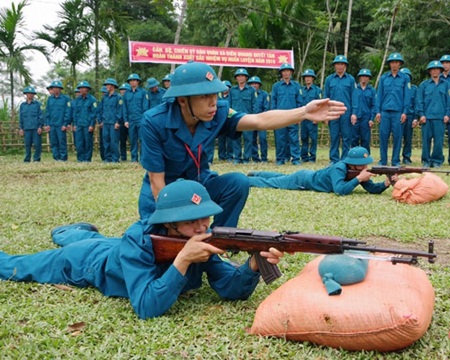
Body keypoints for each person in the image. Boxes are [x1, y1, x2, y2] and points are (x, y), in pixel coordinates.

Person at [0, 179, 285, 320]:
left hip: (114, 247)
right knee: (19, 266)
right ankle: (65, 233)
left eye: (206, 218)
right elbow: (146, 307)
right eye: (191, 222)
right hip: (85, 262)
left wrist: (252, 267)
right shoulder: (141, 239)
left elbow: (229, 289)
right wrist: (182, 261)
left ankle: (72, 231)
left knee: (95, 239)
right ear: (169, 224)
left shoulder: (197, 238)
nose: (202, 228)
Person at [139, 61, 346, 226]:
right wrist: (174, 223)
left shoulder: (218, 112)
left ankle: (221, 239)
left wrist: (304, 112)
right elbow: (157, 181)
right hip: (165, 194)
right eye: (204, 96)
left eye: (214, 94)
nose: (213, 102)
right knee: (160, 249)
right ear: (183, 100)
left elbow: (259, 120)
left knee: (238, 182)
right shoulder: (154, 122)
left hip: (199, 185)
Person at [248, 146, 395, 196]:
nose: (364, 167)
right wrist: (358, 179)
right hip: (303, 180)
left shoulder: (357, 172)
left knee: (281, 177)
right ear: (352, 164)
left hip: (305, 176)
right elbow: (339, 190)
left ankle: (257, 173)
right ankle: (247, 180)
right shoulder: (339, 168)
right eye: (361, 164)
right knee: (273, 183)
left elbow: (372, 189)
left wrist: (385, 184)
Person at [375, 52, 411, 166]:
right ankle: (383, 160)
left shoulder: (405, 78)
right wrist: (377, 111)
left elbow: (407, 96)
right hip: (385, 112)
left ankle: (395, 160)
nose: (394, 65)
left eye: (396, 62)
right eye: (392, 62)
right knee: (383, 137)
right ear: (389, 64)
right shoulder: (384, 78)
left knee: (397, 137)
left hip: (398, 112)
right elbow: (379, 96)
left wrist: (405, 112)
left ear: (400, 64)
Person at [416, 61, 450, 168]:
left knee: (438, 141)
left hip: (440, 118)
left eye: (437, 69)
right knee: (426, 141)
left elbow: (449, 102)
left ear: (440, 71)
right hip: (426, 118)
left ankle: (437, 160)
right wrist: (421, 114)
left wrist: (447, 114)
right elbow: (419, 101)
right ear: (430, 71)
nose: (435, 71)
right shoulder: (424, 85)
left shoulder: (446, 85)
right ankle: (426, 160)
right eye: (433, 69)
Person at [323, 55, 358, 163]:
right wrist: (326, 113)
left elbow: (354, 97)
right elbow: (326, 98)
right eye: (337, 64)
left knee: (347, 137)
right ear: (335, 66)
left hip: (346, 113)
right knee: (334, 136)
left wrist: (354, 113)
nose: (339, 66)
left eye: (342, 64)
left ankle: (345, 159)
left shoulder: (351, 80)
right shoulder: (329, 79)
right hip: (333, 112)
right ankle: (334, 159)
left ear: (345, 66)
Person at [270, 63, 303, 165]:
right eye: (284, 71)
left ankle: (296, 159)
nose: (286, 73)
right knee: (280, 139)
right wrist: (273, 116)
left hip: (293, 116)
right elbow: (273, 101)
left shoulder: (296, 86)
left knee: (294, 139)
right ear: (281, 73)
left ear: (291, 72)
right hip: (280, 117)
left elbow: (300, 102)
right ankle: (280, 159)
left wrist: (299, 116)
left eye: (288, 71)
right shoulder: (276, 86)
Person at [229, 68, 257, 164]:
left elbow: (254, 105)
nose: (240, 78)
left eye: (242, 76)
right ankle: (237, 158)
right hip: (235, 118)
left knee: (248, 139)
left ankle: (246, 158)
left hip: (247, 118)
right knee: (235, 139)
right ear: (236, 78)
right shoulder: (232, 90)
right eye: (238, 76)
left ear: (246, 78)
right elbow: (229, 104)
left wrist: (254, 117)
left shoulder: (251, 90)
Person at [123, 73, 149, 162]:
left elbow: (145, 107)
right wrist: (125, 120)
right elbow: (124, 108)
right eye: (131, 81)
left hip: (140, 119)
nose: (132, 82)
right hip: (131, 120)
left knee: (142, 139)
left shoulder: (143, 92)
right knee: (133, 140)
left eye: (134, 80)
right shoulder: (126, 94)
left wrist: (144, 119)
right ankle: (134, 158)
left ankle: (142, 158)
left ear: (138, 82)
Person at [44, 80, 71, 161]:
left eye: (57, 88)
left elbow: (68, 111)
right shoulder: (50, 99)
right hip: (52, 125)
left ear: (60, 89)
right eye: (54, 88)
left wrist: (65, 124)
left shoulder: (66, 99)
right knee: (54, 142)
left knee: (62, 142)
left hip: (61, 124)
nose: (55, 89)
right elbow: (47, 112)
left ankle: (63, 158)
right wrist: (47, 124)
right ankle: (56, 157)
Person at [299, 69, 322, 162]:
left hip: (313, 117)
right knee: (304, 137)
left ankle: (312, 157)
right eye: (306, 77)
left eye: (309, 77)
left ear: (313, 78)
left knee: (313, 138)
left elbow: (321, 104)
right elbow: (299, 104)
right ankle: (304, 157)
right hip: (304, 117)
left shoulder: (317, 90)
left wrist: (317, 117)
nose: (307, 79)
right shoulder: (300, 90)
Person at [351, 69, 376, 154]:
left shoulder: (372, 90)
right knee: (354, 138)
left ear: (369, 78)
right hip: (355, 117)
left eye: (366, 76)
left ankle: (365, 157)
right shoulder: (354, 89)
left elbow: (374, 105)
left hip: (366, 118)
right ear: (359, 78)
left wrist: (372, 118)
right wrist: (352, 114)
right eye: (362, 76)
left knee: (365, 139)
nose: (364, 78)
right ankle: (353, 157)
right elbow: (351, 103)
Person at [98, 78, 123, 162]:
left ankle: (115, 158)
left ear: (113, 86)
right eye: (106, 85)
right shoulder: (104, 97)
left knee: (114, 142)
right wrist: (100, 120)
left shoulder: (118, 97)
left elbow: (120, 110)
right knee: (106, 141)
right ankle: (107, 158)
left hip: (113, 123)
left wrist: (117, 122)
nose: (107, 87)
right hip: (105, 123)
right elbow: (101, 109)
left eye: (108, 85)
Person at [72, 81, 97, 162]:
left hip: (87, 125)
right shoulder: (77, 100)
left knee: (88, 142)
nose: (82, 90)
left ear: (87, 89)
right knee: (79, 143)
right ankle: (80, 158)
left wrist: (91, 125)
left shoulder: (92, 100)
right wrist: (75, 124)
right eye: (80, 88)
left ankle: (87, 159)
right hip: (79, 124)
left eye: (84, 88)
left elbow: (94, 113)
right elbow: (75, 113)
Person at [248, 76, 270, 162]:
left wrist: (263, 117)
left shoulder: (264, 94)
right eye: (252, 83)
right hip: (251, 119)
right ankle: (255, 157)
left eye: (256, 83)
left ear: (259, 85)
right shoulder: (248, 94)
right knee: (252, 139)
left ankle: (264, 157)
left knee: (263, 138)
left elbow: (267, 107)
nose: (254, 85)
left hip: (262, 120)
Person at [18, 86, 43, 162]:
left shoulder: (37, 104)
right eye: (28, 93)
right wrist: (21, 128)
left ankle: (36, 159)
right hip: (26, 128)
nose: (30, 95)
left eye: (32, 94)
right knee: (27, 145)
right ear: (26, 94)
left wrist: (40, 126)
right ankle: (27, 159)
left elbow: (41, 116)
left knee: (37, 145)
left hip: (35, 128)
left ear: (33, 95)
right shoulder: (22, 105)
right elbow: (21, 117)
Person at [400, 67, 418, 164]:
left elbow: (416, 104)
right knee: (397, 138)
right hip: (398, 115)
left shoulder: (414, 89)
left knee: (408, 138)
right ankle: (396, 157)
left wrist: (415, 118)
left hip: (410, 115)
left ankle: (406, 157)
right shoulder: (396, 87)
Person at [118, 82, 131, 161]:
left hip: (130, 122)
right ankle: (123, 157)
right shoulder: (118, 99)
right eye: (121, 90)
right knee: (122, 141)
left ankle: (134, 156)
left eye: (125, 90)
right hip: (121, 123)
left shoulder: (130, 98)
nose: (123, 91)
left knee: (132, 140)